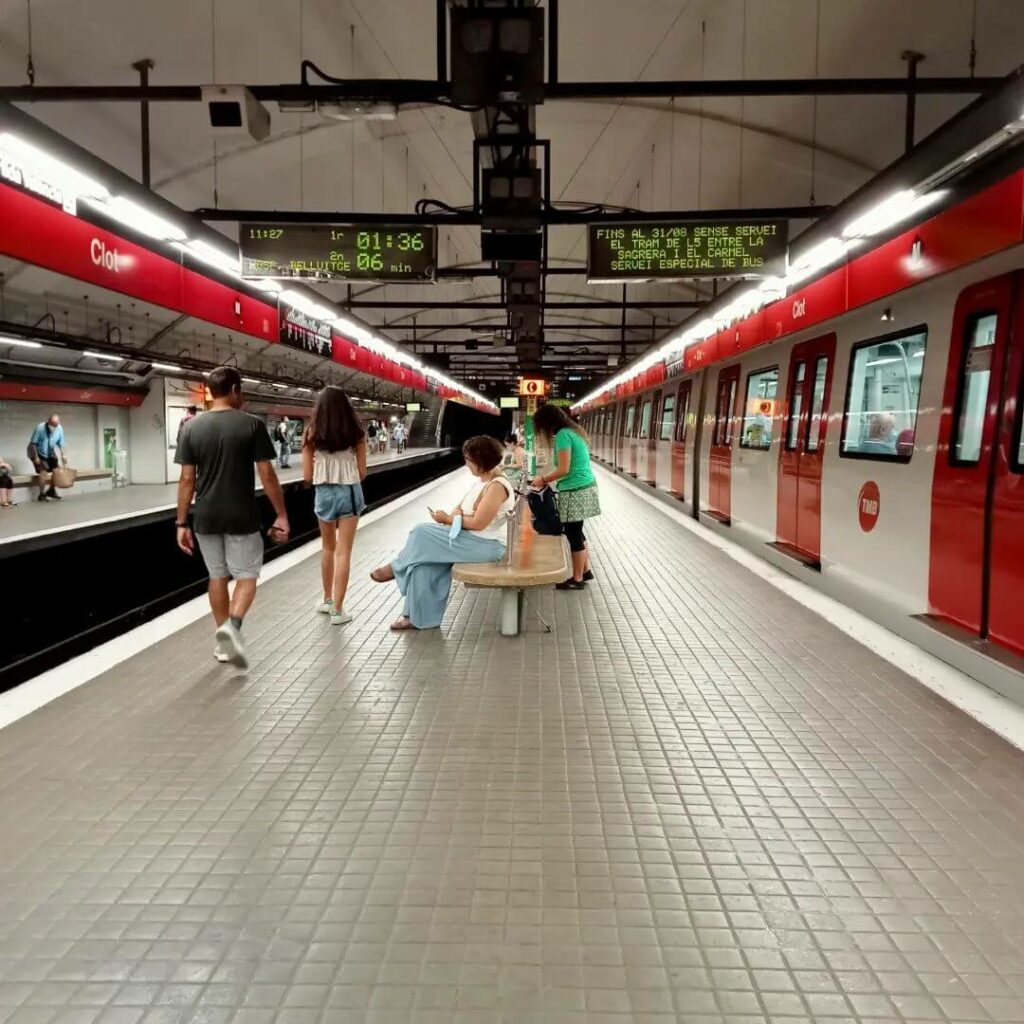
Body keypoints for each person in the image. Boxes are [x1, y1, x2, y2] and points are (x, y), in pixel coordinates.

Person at [174, 366, 290, 669]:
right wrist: (281, 514)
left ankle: (221, 640)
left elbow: (187, 480)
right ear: (236, 390)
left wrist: (181, 522)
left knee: (217, 575)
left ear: (211, 391)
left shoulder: (191, 428)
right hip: (241, 515)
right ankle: (232, 629)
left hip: (205, 516)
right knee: (247, 575)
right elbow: (267, 475)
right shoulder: (252, 425)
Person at [370, 435, 515, 631]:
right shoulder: (484, 481)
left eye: (469, 460)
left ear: (480, 461)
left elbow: (479, 523)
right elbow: (463, 508)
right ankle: (416, 618)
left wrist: (448, 519)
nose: (466, 464)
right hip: (473, 540)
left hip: (486, 545)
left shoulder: (497, 486)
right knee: (424, 562)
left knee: (420, 532)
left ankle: (396, 568)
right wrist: (453, 514)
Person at [303, 386, 367, 625]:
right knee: (344, 551)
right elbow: (362, 472)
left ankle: (327, 600)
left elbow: (307, 475)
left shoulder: (311, 432)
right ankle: (338, 611)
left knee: (328, 548)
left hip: (323, 491)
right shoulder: (356, 432)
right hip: (348, 490)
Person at [531, 404, 600, 590]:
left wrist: (542, 479)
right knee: (577, 530)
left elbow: (563, 469)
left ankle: (577, 579)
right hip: (584, 486)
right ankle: (585, 570)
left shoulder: (563, 436)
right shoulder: (574, 431)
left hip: (575, 489)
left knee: (573, 533)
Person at [28, 414, 67, 502]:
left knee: (56, 471)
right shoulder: (40, 428)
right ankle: (41, 494)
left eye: (56, 425)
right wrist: (36, 457)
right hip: (38, 451)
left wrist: (63, 455)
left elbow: (61, 443)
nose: (54, 427)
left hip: (50, 451)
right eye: (52, 424)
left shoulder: (59, 428)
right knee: (44, 471)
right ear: (48, 422)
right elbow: (33, 443)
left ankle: (51, 491)